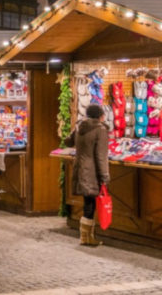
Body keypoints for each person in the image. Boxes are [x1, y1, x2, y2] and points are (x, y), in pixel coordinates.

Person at [65, 104, 110, 246]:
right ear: (101, 116)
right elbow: (101, 156)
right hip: (92, 171)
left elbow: (68, 141)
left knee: (87, 202)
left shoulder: (79, 126)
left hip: (80, 168)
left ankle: (86, 236)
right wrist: (105, 176)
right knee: (90, 204)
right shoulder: (100, 130)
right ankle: (86, 237)